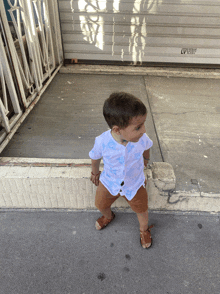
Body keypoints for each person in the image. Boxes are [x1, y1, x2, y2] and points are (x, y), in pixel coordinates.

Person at [89, 92, 154, 249]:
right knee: (100, 203)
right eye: (138, 127)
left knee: (142, 209)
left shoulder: (141, 138)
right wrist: (95, 172)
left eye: (144, 124)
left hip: (134, 183)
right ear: (117, 130)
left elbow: (147, 148)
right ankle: (108, 216)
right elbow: (95, 156)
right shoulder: (102, 141)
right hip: (109, 181)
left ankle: (144, 229)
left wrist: (145, 160)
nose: (144, 130)